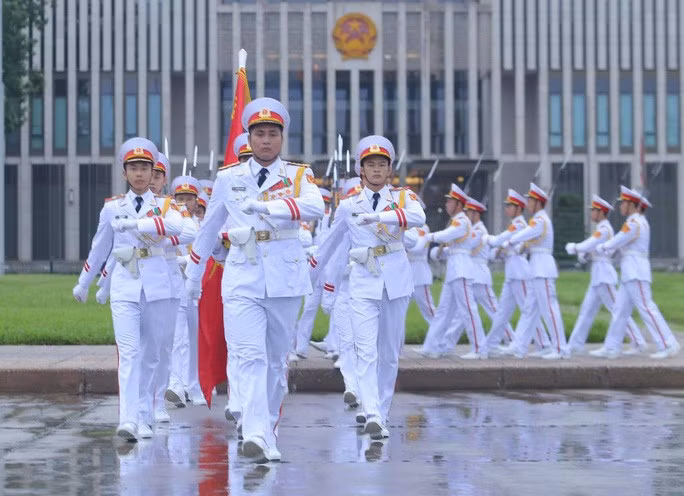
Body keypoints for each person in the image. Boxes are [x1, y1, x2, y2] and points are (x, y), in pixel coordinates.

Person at [184, 97, 325, 463]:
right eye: (259, 134)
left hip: (284, 277)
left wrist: (267, 207)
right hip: (242, 275)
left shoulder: (298, 175)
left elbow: (315, 206)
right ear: (248, 137)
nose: (266, 140)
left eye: (272, 134)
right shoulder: (229, 177)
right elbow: (208, 230)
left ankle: (268, 432)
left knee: (276, 362)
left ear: (282, 138)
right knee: (249, 355)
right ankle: (256, 433)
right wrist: (193, 276)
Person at [310, 135, 426, 440]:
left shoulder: (403, 198)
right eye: (370, 164)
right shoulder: (349, 206)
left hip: (396, 282)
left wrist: (378, 216)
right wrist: (309, 275)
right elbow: (329, 245)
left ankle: (382, 412)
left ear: (390, 170)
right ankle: (372, 411)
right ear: (360, 170)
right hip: (363, 281)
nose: (376, 169)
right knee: (365, 350)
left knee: (389, 353)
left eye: (381, 164)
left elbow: (419, 217)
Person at [73, 137, 184, 441]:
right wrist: (84, 281)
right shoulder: (112, 208)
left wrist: (138, 226)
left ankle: (146, 416)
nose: (139, 174)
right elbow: (100, 247)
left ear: (153, 172)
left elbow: (177, 227)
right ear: (124, 172)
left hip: (157, 286)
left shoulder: (166, 205)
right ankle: (128, 419)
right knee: (129, 353)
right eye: (133, 168)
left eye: (144, 168)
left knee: (151, 354)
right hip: (125, 285)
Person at [591, 186, 681, 359]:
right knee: (620, 310)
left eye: (623, 203)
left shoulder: (634, 223)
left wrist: (603, 246)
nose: (621, 206)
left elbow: (619, 240)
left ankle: (668, 343)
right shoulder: (634, 222)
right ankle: (611, 347)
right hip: (629, 272)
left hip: (636, 272)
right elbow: (623, 246)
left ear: (632, 204)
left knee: (646, 307)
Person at [564, 194, 646, 356]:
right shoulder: (601, 229)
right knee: (586, 311)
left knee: (618, 310)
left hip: (604, 275)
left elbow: (591, 244)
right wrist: (585, 254)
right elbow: (593, 249)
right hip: (597, 274)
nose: (591, 213)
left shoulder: (604, 229)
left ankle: (638, 341)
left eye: (594, 210)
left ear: (601, 212)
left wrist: (575, 247)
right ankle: (575, 344)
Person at [420, 184, 488, 360]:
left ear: (458, 204)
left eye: (450, 202)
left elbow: (447, 235)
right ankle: (433, 346)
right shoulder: (457, 221)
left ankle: (479, 349)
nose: (447, 204)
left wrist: (429, 236)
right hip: (454, 269)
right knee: (443, 311)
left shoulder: (462, 221)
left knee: (468, 310)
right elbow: (452, 245)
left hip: (462, 269)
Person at [504, 183, 566, 359]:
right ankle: (519, 346)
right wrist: (521, 247)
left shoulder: (540, 220)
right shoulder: (538, 220)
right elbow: (532, 240)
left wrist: (512, 240)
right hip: (536, 269)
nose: (527, 203)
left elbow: (527, 233)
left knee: (550, 310)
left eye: (530, 200)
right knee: (529, 310)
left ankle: (561, 349)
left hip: (543, 269)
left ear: (538, 202)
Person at [485, 189, 549, 354]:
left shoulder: (519, 224)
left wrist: (488, 238)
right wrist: (499, 251)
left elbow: (501, 240)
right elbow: (505, 248)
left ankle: (543, 343)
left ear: (518, 208)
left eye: (510, 206)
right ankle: (492, 344)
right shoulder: (516, 224)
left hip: (520, 273)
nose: (507, 209)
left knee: (528, 310)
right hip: (512, 273)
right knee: (502, 312)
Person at [167, 175, 206, 407]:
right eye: (179, 198)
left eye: (188, 198)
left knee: (196, 338)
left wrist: (189, 261)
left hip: (199, 287)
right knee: (178, 337)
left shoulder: (202, 226)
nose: (184, 203)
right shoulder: (172, 224)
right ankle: (177, 384)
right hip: (177, 284)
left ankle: (195, 385)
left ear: (196, 201)